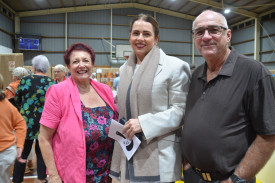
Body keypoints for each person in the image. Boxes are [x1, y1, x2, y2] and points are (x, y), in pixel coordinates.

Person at [182, 10, 275, 183]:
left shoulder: (254, 72)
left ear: (228, 35)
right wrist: (187, 165)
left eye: (213, 30)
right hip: (192, 177)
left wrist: (236, 178)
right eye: (199, 32)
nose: (206, 37)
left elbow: (268, 135)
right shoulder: (195, 76)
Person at [110, 14, 190, 183]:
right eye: (135, 33)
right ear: (130, 36)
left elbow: (181, 110)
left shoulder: (175, 67)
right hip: (128, 150)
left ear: (156, 38)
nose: (140, 38)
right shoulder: (125, 69)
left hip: (159, 154)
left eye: (146, 34)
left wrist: (144, 123)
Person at [38, 42, 118, 183]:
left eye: (86, 60)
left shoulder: (104, 90)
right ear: (68, 67)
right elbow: (43, 138)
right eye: (75, 61)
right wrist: (54, 175)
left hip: (105, 173)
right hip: (72, 175)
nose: (81, 65)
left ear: (92, 64)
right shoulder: (58, 92)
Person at [12, 55, 55, 183]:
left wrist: (23, 111)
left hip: (26, 122)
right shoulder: (52, 83)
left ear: (34, 67)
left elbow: (17, 99)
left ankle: (17, 179)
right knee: (42, 151)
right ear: (47, 68)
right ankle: (42, 177)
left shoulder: (24, 80)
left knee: (23, 152)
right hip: (45, 122)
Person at [0, 74, 26, 183]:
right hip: (7, 151)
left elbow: (20, 124)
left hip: (4, 151)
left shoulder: (6, 103)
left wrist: (19, 145)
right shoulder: (6, 104)